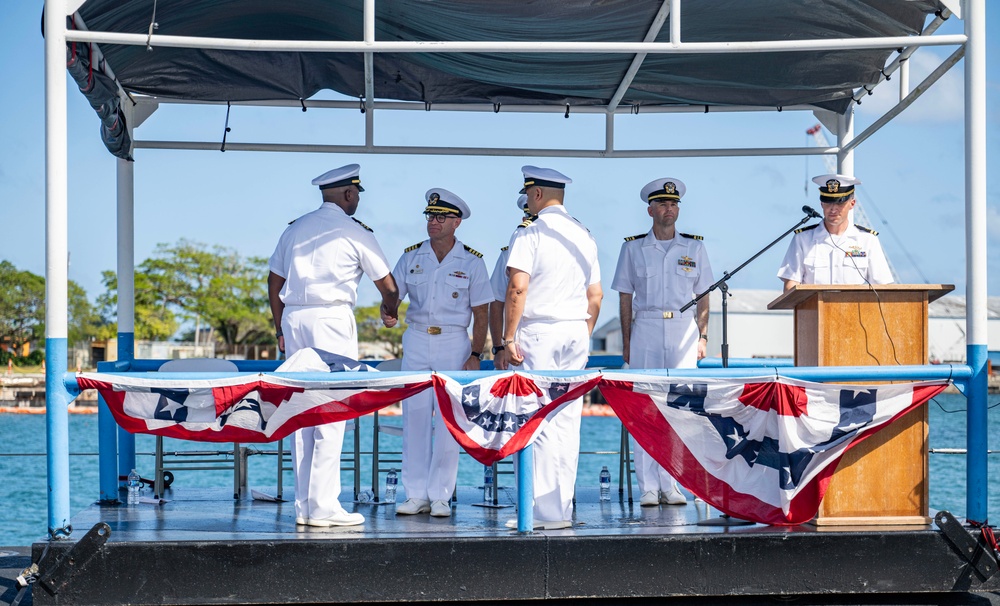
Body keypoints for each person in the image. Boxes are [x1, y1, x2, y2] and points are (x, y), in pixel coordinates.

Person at [267, 163, 399, 527]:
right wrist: (391, 312)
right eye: (356, 194)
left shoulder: (295, 229)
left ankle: (304, 507)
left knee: (300, 411)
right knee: (330, 409)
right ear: (348, 194)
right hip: (331, 321)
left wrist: (279, 327)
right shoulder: (353, 231)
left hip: (294, 319)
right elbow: (387, 285)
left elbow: (274, 280)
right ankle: (324, 508)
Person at [500, 166, 602, 530]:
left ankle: (541, 513)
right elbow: (596, 295)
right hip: (575, 331)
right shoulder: (584, 235)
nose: (527, 201)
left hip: (539, 331)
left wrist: (508, 338)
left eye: (528, 195)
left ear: (537, 195)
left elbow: (517, 288)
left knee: (535, 417)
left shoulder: (531, 231)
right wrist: (582, 331)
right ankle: (560, 509)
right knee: (567, 422)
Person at [611, 177, 714, 507]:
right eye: (663, 204)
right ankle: (648, 487)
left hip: (684, 329)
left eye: (674, 204)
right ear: (650, 210)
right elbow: (625, 298)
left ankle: (672, 484)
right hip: (647, 327)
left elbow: (704, 296)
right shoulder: (633, 248)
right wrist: (627, 342)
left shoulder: (694, 247)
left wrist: (704, 336)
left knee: (680, 409)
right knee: (645, 408)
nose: (669, 209)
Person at [391, 188, 492, 518]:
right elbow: (392, 294)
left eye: (440, 217)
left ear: (456, 222)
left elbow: (482, 312)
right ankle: (415, 493)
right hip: (417, 339)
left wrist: (476, 352)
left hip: (453, 342)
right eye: (430, 216)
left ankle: (440, 496)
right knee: (415, 418)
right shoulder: (411, 257)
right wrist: (387, 309)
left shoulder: (472, 261)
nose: (433, 222)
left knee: (450, 422)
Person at [778, 174, 894, 291]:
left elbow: (882, 287)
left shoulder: (867, 240)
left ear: (852, 204)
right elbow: (791, 284)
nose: (833, 209)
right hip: (813, 309)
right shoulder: (803, 239)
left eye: (839, 203)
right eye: (828, 203)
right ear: (821, 204)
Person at [488, 194, 534, 369]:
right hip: (518, 341)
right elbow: (497, 302)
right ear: (524, 220)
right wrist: (500, 347)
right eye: (531, 218)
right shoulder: (509, 254)